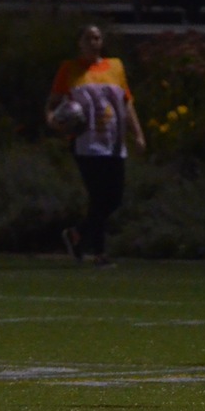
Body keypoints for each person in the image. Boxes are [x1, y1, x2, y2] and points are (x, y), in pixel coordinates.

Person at [48, 25, 144, 266]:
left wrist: (138, 134)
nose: (93, 42)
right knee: (99, 197)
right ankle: (99, 253)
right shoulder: (70, 69)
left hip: (113, 142)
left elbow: (127, 102)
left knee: (114, 198)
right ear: (80, 42)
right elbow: (54, 102)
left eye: (97, 38)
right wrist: (53, 120)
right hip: (86, 142)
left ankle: (77, 234)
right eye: (88, 38)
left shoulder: (115, 67)